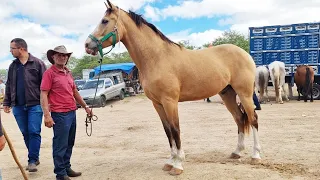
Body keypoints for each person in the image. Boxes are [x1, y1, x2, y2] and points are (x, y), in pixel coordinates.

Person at [40, 45, 92, 180]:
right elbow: (44, 94)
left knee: (69, 142)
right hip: (59, 114)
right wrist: (47, 115)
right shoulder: (49, 73)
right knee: (60, 144)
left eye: (65, 55)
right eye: (59, 55)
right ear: (53, 57)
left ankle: (66, 167)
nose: (62, 57)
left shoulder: (68, 72)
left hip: (71, 111)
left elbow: (74, 92)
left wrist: (85, 106)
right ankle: (60, 173)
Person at [3, 38, 47, 172]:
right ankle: (35, 157)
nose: (10, 51)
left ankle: (32, 160)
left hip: (35, 105)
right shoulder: (13, 66)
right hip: (18, 106)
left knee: (34, 132)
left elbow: (45, 86)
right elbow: (9, 84)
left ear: (21, 48)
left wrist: (47, 105)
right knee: (26, 133)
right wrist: (6, 102)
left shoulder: (38, 63)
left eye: (12, 48)